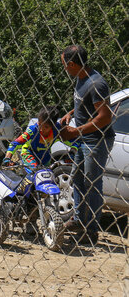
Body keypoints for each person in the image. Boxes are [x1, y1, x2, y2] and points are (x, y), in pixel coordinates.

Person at [60, 44, 115, 245]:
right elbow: (86, 106)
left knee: (92, 184)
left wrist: (76, 130)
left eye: (65, 64)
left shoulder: (96, 83)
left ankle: (90, 230)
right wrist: (71, 113)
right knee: (79, 179)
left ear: (72, 63)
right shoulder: (80, 78)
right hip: (83, 139)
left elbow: (105, 117)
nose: (64, 68)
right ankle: (78, 220)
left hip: (97, 140)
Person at [4, 106, 79, 173]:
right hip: (29, 153)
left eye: (46, 127)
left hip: (45, 157)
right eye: (40, 123)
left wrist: (71, 153)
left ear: (52, 126)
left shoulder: (57, 130)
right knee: (35, 173)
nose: (41, 128)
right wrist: (7, 158)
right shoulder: (33, 130)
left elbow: (76, 142)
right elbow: (15, 143)